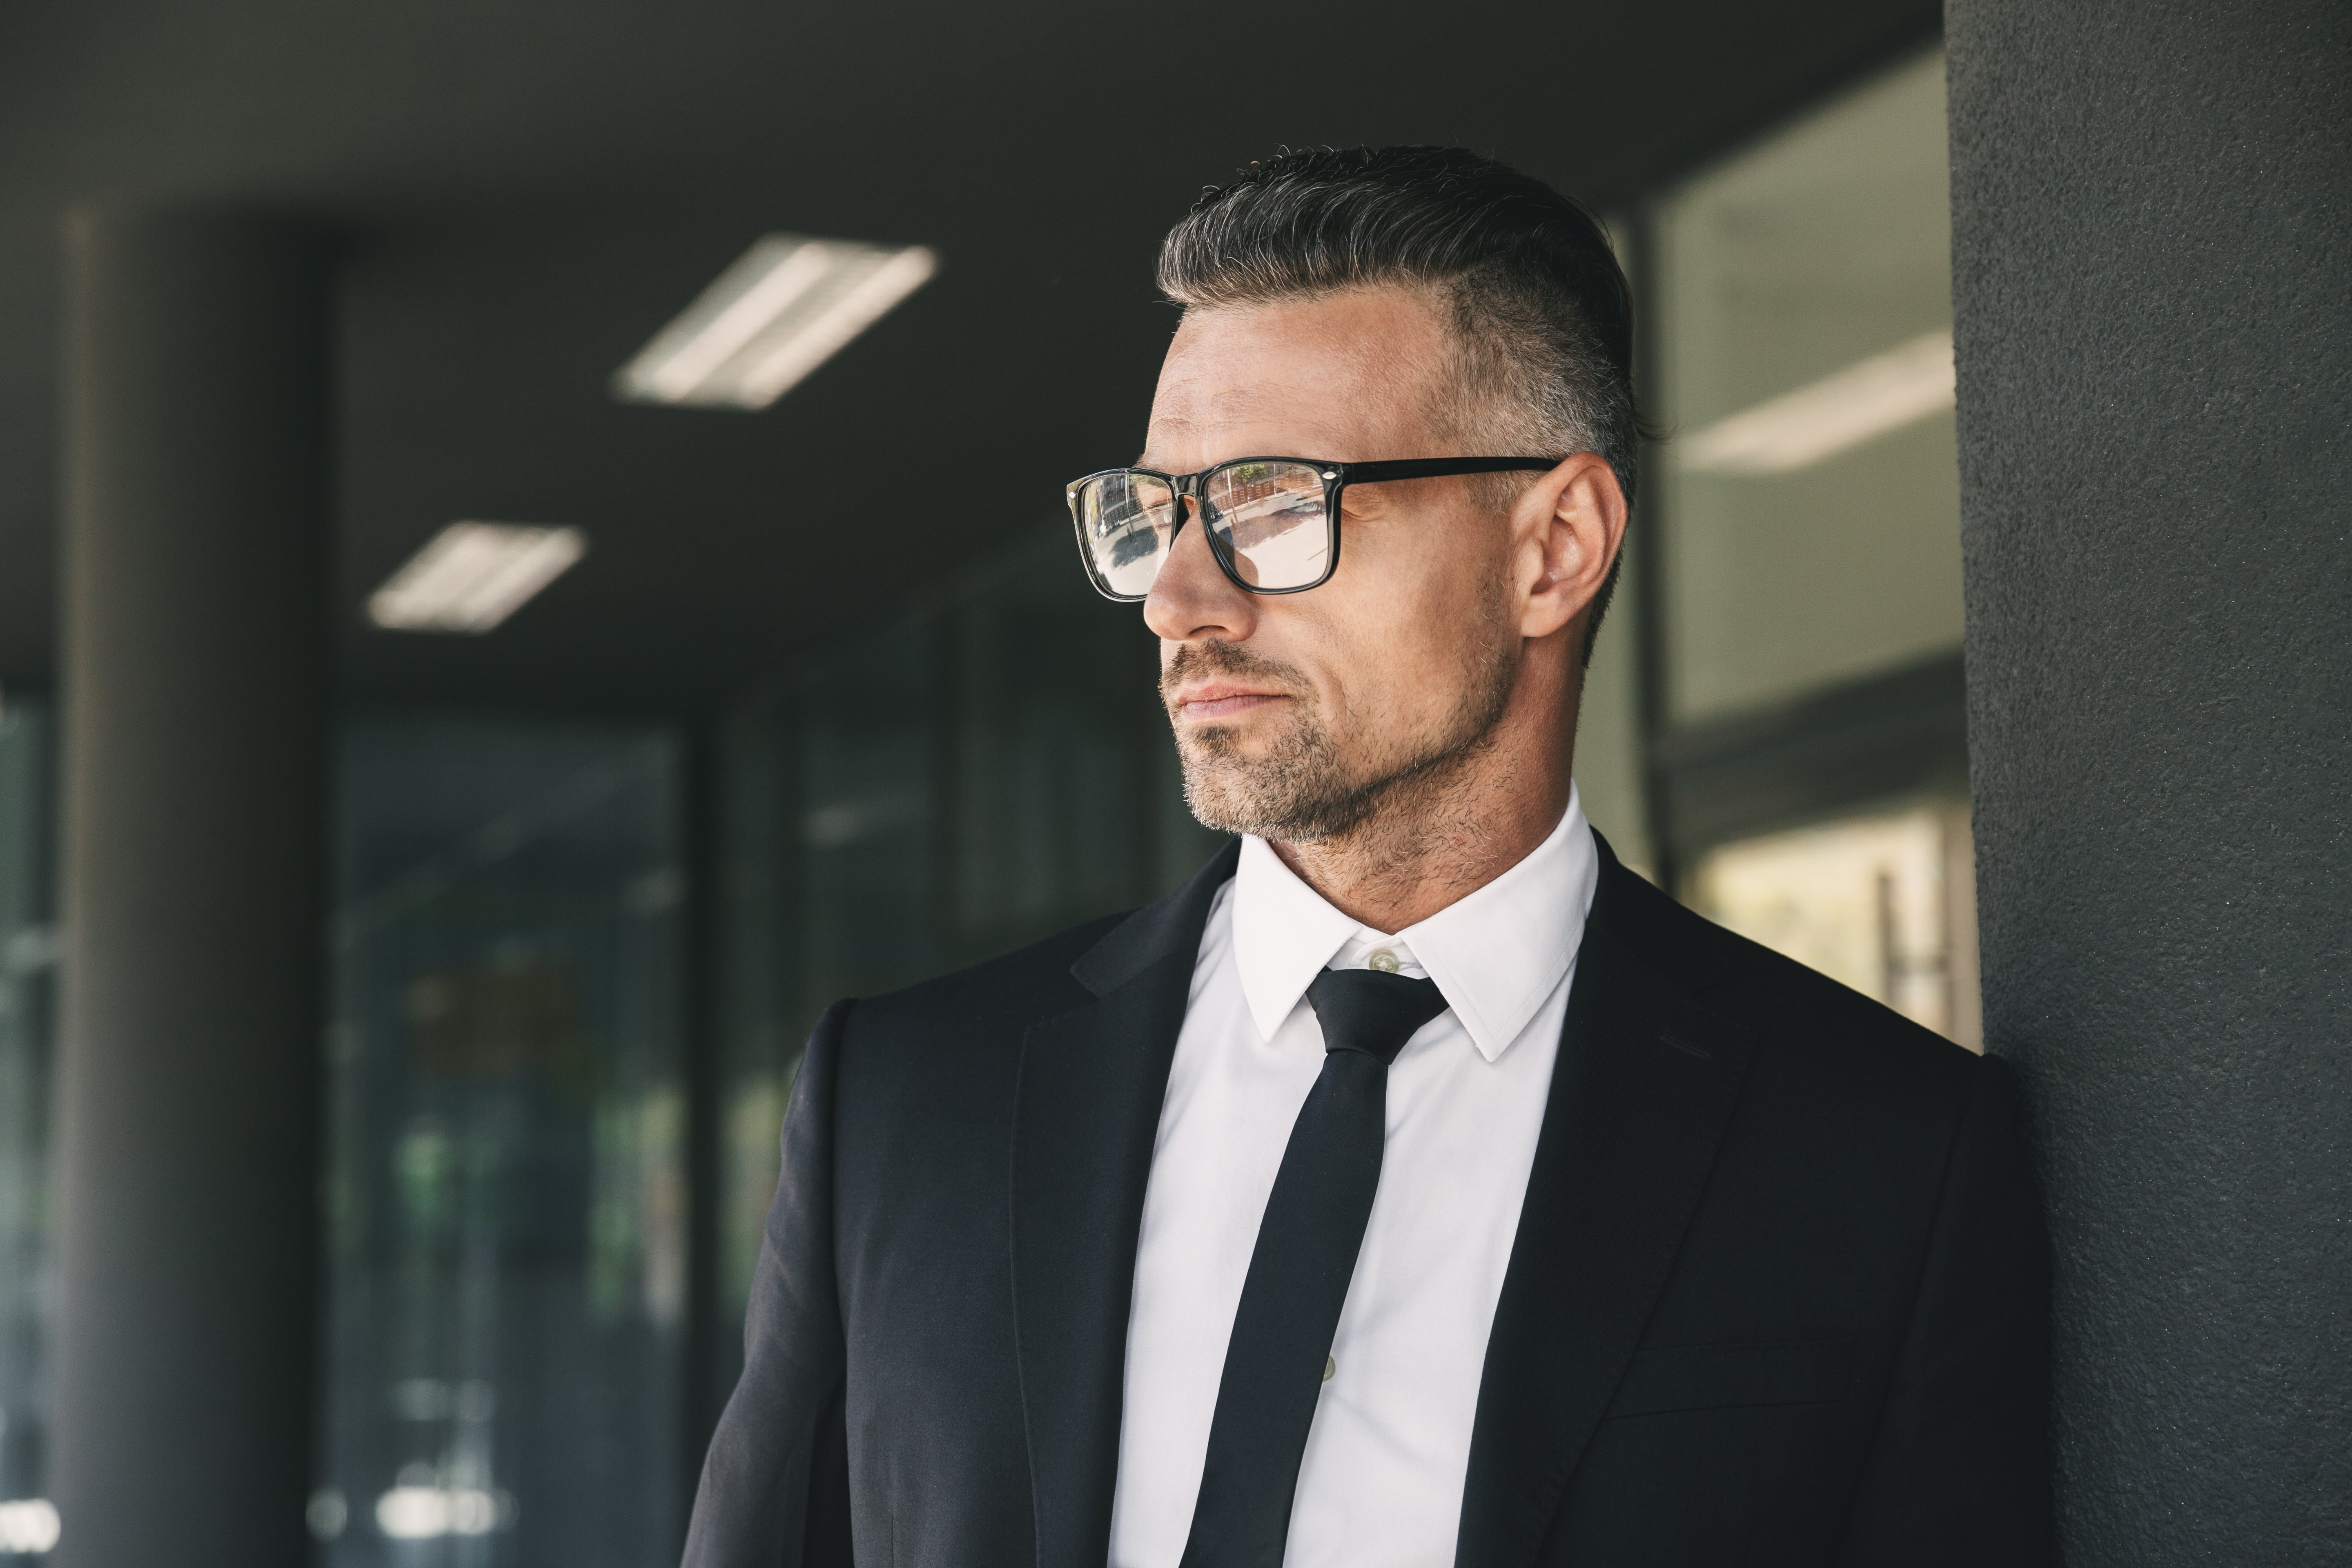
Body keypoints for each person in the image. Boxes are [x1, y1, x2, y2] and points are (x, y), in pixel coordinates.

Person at [682, 145, 2049, 1568]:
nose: (1181, 601)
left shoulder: (1879, 1156)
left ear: (1554, 548)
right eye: (1154, 514)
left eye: (1273, 502)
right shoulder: (905, 1105)